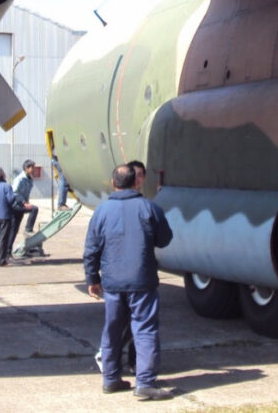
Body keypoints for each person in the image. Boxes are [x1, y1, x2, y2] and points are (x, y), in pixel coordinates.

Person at [84, 164, 174, 400]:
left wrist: (92, 278)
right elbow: (165, 240)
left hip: (112, 283)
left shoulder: (101, 212)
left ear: (113, 183)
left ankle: (111, 379)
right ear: (136, 182)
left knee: (113, 329)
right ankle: (144, 383)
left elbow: (91, 249)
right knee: (144, 329)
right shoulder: (149, 208)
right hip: (142, 281)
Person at [0, 168, 33, 266]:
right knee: (4, 238)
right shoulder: (7, 186)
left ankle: (0, 258)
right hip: (5, 215)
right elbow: (11, 199)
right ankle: (1, 260)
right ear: (3, 175)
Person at [12, 159, 42, 255]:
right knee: (34, 209)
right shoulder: (19, 179)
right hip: (16, 205)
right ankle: (28, 229)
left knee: (15, 229)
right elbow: (15, 193)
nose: (33, 169)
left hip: (22, 205)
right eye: (32, 167)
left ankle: (8, 251)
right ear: (26, 168)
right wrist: (24, 202)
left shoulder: (29, 179)